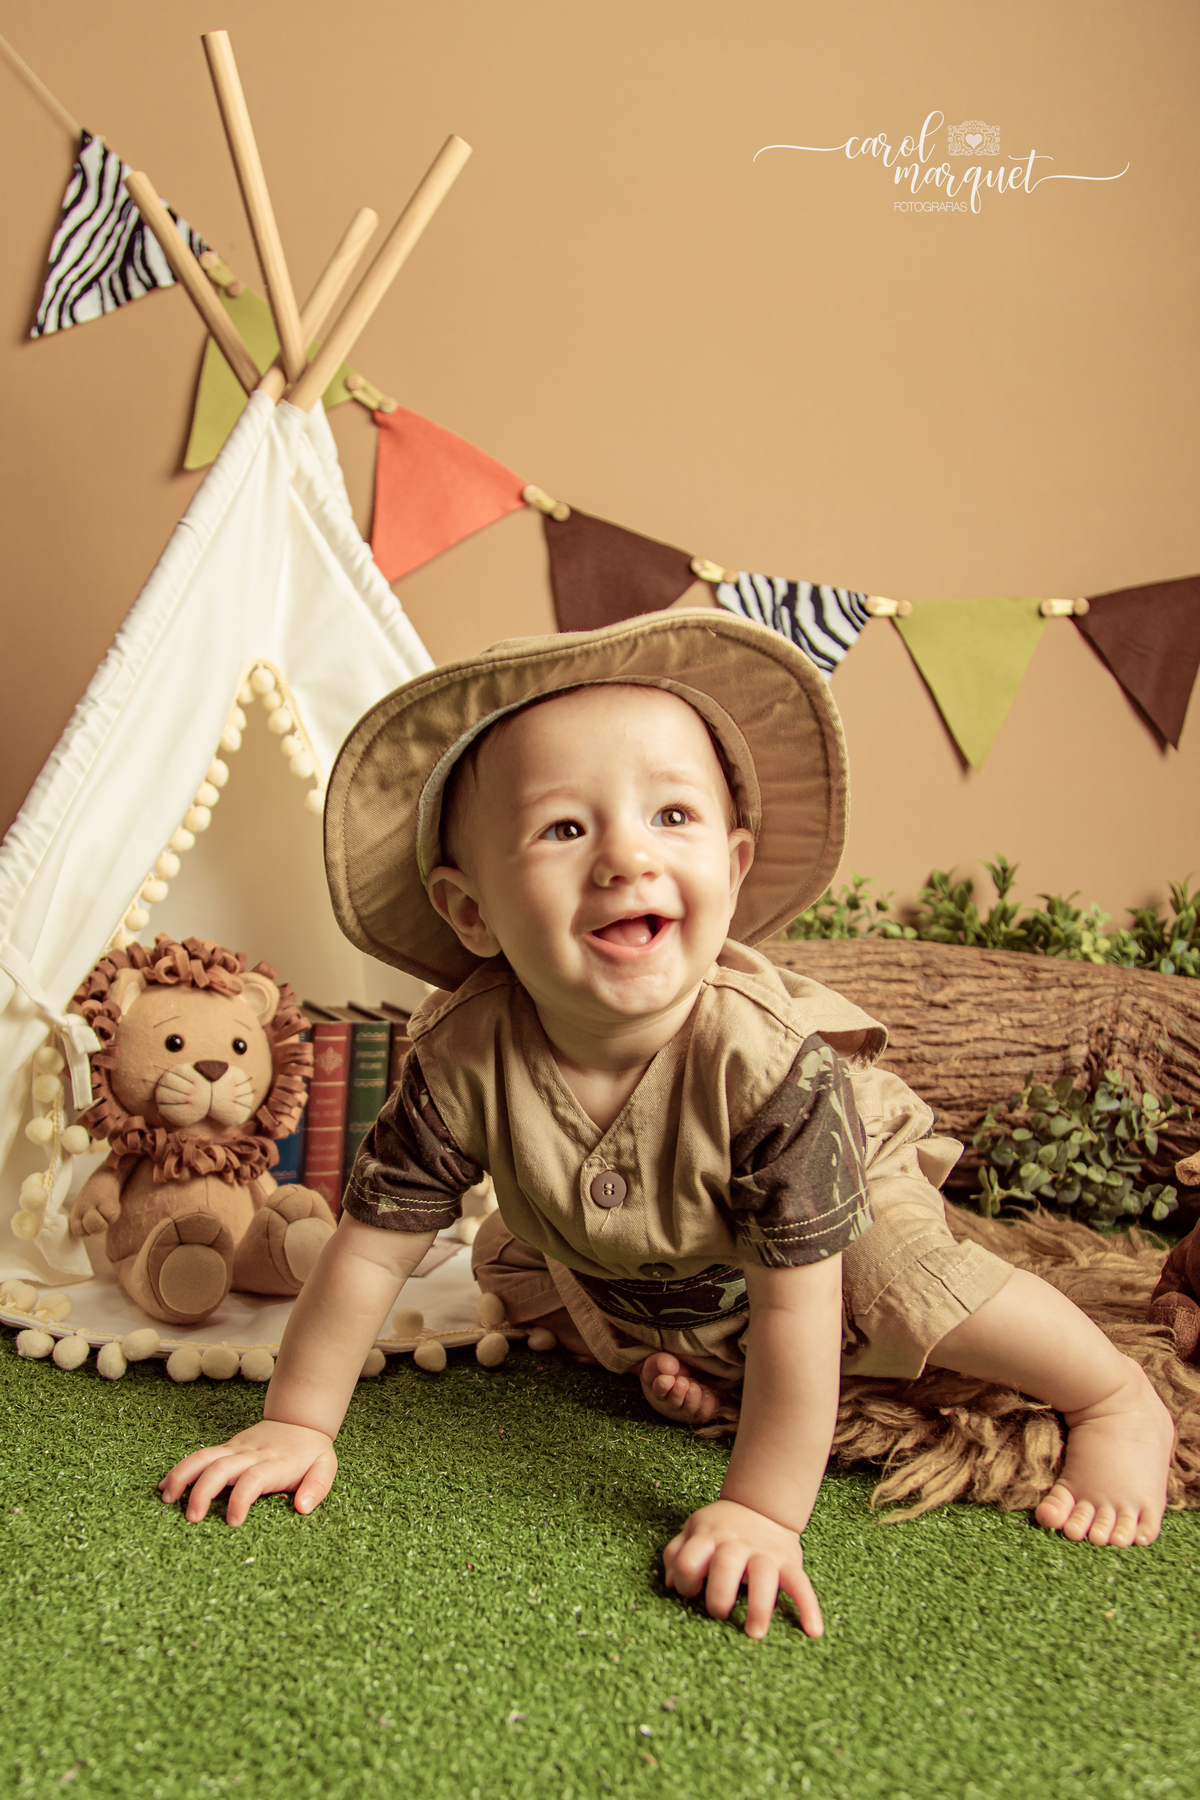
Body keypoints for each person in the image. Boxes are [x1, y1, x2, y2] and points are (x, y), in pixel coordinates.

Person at [160, 612, 1174, 1638]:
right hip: (646, 1240)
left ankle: (1109, 1393)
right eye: (565, 829)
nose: (625, 859)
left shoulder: (769, 1067)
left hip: (839, 1198)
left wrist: (761, 1511)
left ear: (733, 868)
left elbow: (797, 1309)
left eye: (672, 818)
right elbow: (371, 1258)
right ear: (472, 915)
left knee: (902, 1284)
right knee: (510, 1267)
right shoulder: (461, 1056)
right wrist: (296, 1421)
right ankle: (703, 1358)